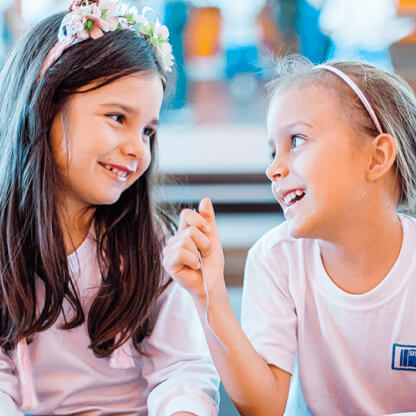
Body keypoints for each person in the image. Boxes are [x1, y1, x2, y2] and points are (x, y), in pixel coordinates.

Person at [163, 54, 416, 415]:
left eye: (296, 140)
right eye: (272, 151)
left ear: (376, 158)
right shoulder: (276, 258)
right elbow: (264, 406)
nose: (273, 168)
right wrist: (210, 297)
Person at [0, 1, 219, 415]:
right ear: (45, 106)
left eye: (149, 130)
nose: (139, 148)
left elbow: (182, 370)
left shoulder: (154, 245)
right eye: (118, 117)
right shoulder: (5, 244)